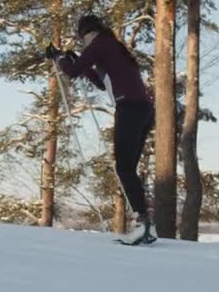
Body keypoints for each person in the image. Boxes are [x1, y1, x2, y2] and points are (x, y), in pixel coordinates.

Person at [45, 14, 157, 245]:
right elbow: (99, 81)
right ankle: (147, 227)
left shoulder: (98, 44)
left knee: (124, 169)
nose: (83, 44)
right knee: (129, 169)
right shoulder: (111, 46)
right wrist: (77, 61)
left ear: (86, 33)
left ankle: (143, 223)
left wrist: (59, 59)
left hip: (130, 108)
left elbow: (73, 72)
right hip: (144, 110)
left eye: (82, 38)